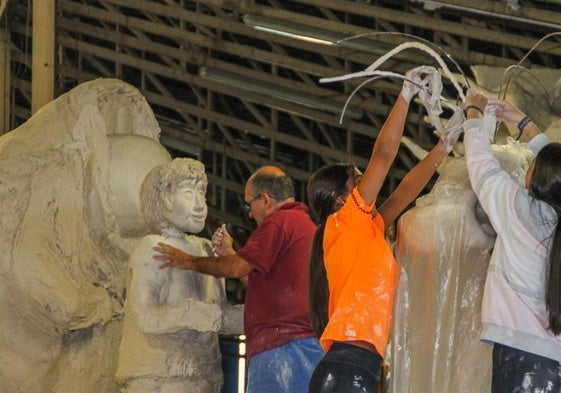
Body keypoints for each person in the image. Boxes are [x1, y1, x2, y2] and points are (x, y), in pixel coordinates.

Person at [306, 66, 454, 393]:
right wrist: (405, 96)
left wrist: (443, 148)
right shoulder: (344, 220)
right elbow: (384, 158)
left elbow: (403, 194)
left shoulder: (365, 228)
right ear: (338, 198)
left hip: (358, 366)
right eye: (358, 180)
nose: (365, 184)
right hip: (348, 368)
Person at [152, 165, 324, 393]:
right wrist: (230, 255)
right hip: (298, 344)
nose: (250, 213)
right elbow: (257, 283)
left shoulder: (280, 222)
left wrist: (188, 261)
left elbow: (235, 269)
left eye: (248, 204)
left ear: (265, 199)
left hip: (284, 345)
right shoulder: (302, 223)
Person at [115, 158, 243, 393]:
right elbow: (146, 316)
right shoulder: (153, 246)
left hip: (204, 373)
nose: (199, 205)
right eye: (187, 194)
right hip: (161, 374)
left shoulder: (206, 249)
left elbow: (219, 312)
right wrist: (195, 313)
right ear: (166, 198)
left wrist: (263, 316)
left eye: (202, 194)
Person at [462, 93, 561, 392]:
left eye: (531, 165)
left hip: (521, 361)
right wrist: (525, 125)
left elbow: (483, 170)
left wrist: (474, 119)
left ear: (537, 176)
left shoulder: (520, 210)